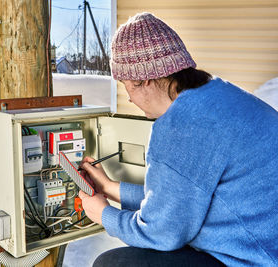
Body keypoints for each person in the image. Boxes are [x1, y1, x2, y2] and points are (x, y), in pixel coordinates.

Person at [78, 12, 278, 266]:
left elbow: (162, 233)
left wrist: (103, 214)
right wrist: (109, 189)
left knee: (112, 263)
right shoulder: (219, 95)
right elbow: (179, 197)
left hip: (255, 259)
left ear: (144, 80)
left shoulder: (181, 125)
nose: (129, 98)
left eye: (125, 85)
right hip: (261, 242)